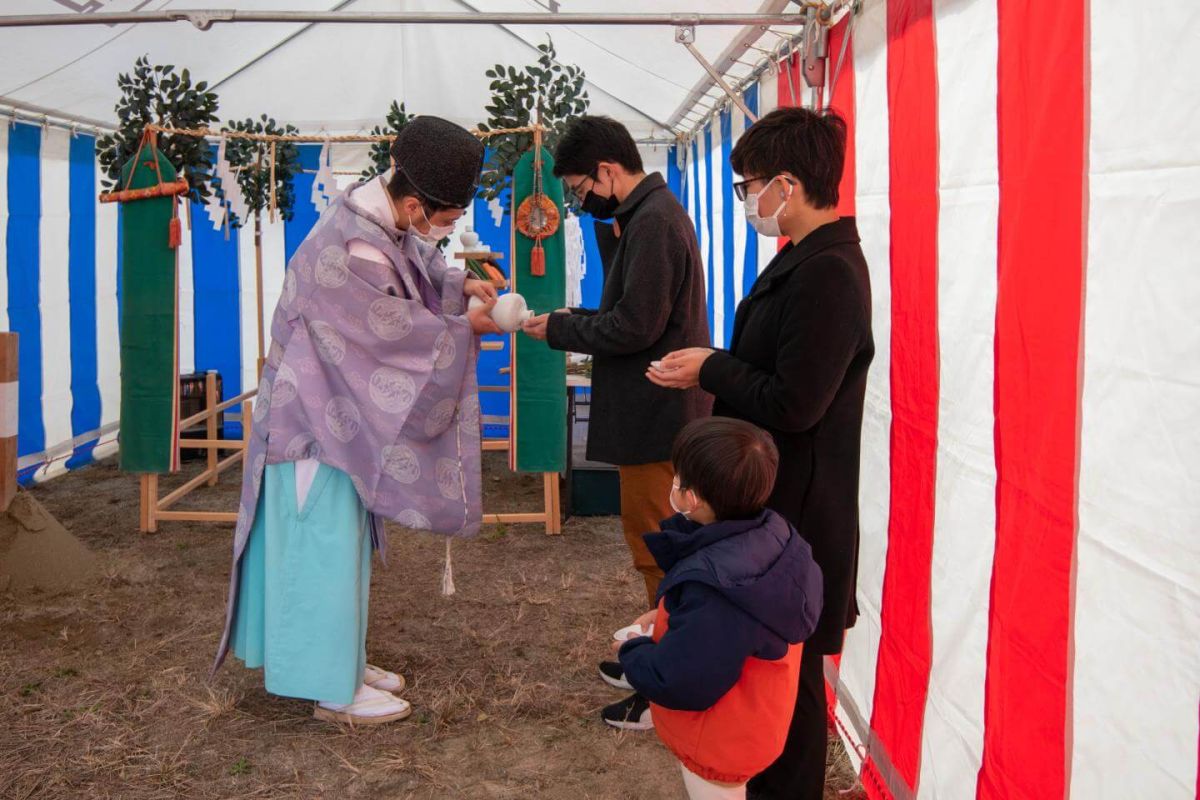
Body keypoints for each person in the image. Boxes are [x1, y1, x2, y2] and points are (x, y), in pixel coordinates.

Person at [212, 116, 502, 725]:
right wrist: (462, 329)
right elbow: (390, 332)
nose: (443, 233)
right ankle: (330, 688)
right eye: (446, 221)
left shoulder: (378, 221)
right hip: (311, 421)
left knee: (343, 544)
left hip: (334, 410)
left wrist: (464, 287)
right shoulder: (352, 245)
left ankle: (340, 658)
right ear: (417, 202)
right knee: (319, 543)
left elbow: (419, 270)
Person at [648, 107, 874, 799]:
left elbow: (795, 404)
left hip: (801, 513)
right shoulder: (804, 260)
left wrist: (712, 368)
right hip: (781, 503)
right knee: (774, 680)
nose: (747, 201)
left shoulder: (830, 272)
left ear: (787, 184)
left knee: (794, 693)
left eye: (748, 186)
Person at [521, 116, 711, 730]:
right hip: (654, 416)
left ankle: (669, 687)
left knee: (663, 554)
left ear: (608, 170)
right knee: (656, 547)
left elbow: (634, 327)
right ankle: (659, 658)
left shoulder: (654, 220)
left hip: (659, 420)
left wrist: (560, 329)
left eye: (579, 188)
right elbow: (628, 312)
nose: (581, 201)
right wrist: (570, 316)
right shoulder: (646, 216)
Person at [613, 417, 823, 800]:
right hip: (759, 722)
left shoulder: (717, 589)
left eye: (678, 478)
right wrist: (665, 612)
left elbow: (679, 681)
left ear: (691, 498)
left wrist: (633, 651)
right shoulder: (777, 536)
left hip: (718, 741)